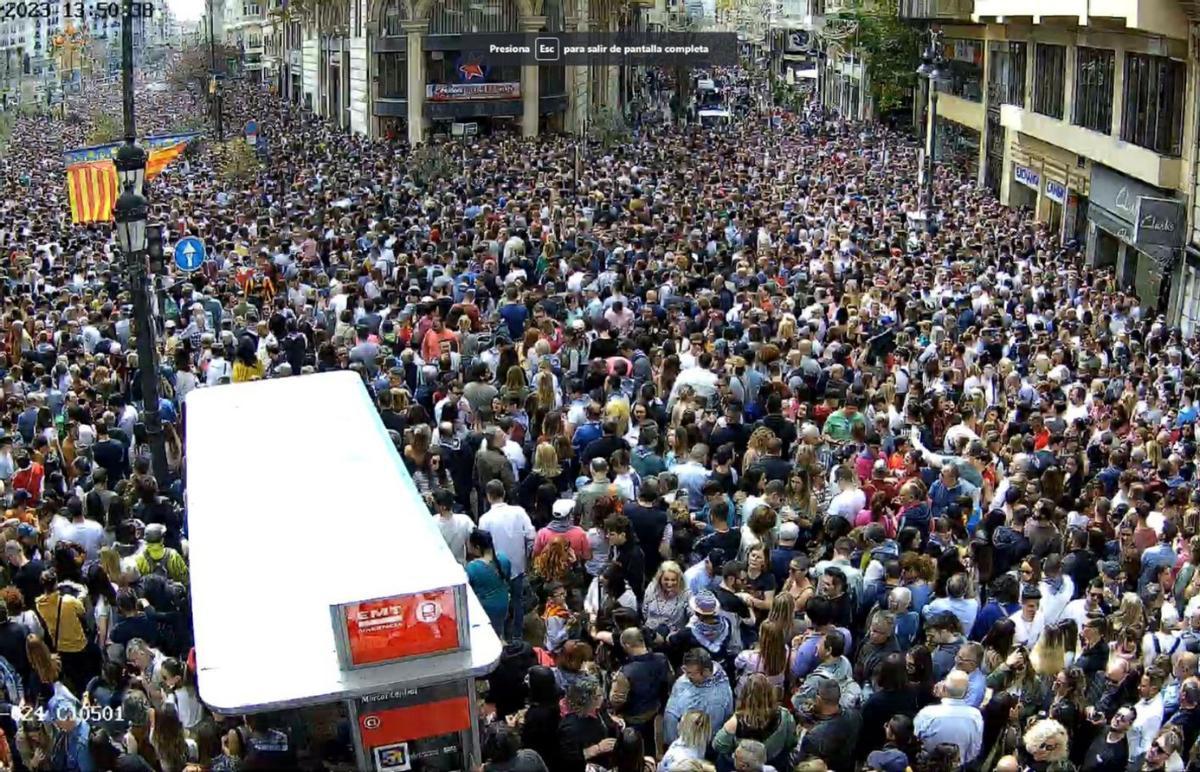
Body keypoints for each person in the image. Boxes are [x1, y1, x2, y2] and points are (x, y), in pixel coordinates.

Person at [663, 648, 734, 746]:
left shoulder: (717, 699)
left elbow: (708, 733)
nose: (687, 676)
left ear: (706, 672)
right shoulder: (685, 680)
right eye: (685, 671)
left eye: (691, 673)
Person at [912, 669, 983, 766]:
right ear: (967, 692)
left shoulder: (927, 714)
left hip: (928, 766)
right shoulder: (975, 716)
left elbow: (915, 738)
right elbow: (974, 750)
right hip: (958, 766)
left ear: (944, 689)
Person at [466, 529, 513, 636]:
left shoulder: (472, 568)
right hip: (503, 603)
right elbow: (508, 579)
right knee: (499, 632)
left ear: (477, 547)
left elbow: (469, 592)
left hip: (486, 608)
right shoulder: (503, 558)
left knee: (488, 635)